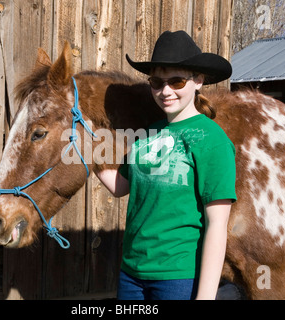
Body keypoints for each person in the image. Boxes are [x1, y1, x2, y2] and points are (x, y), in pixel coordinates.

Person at [96, 30, 236, 300]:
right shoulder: (148, 133)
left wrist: (205, 297)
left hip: (177, 277)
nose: (165, 91)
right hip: (131, 273)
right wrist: (88, 151)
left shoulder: (212, 140)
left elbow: (217, 224)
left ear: (198, 81)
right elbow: (120, 186)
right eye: (157, 82)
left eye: (177, 81)